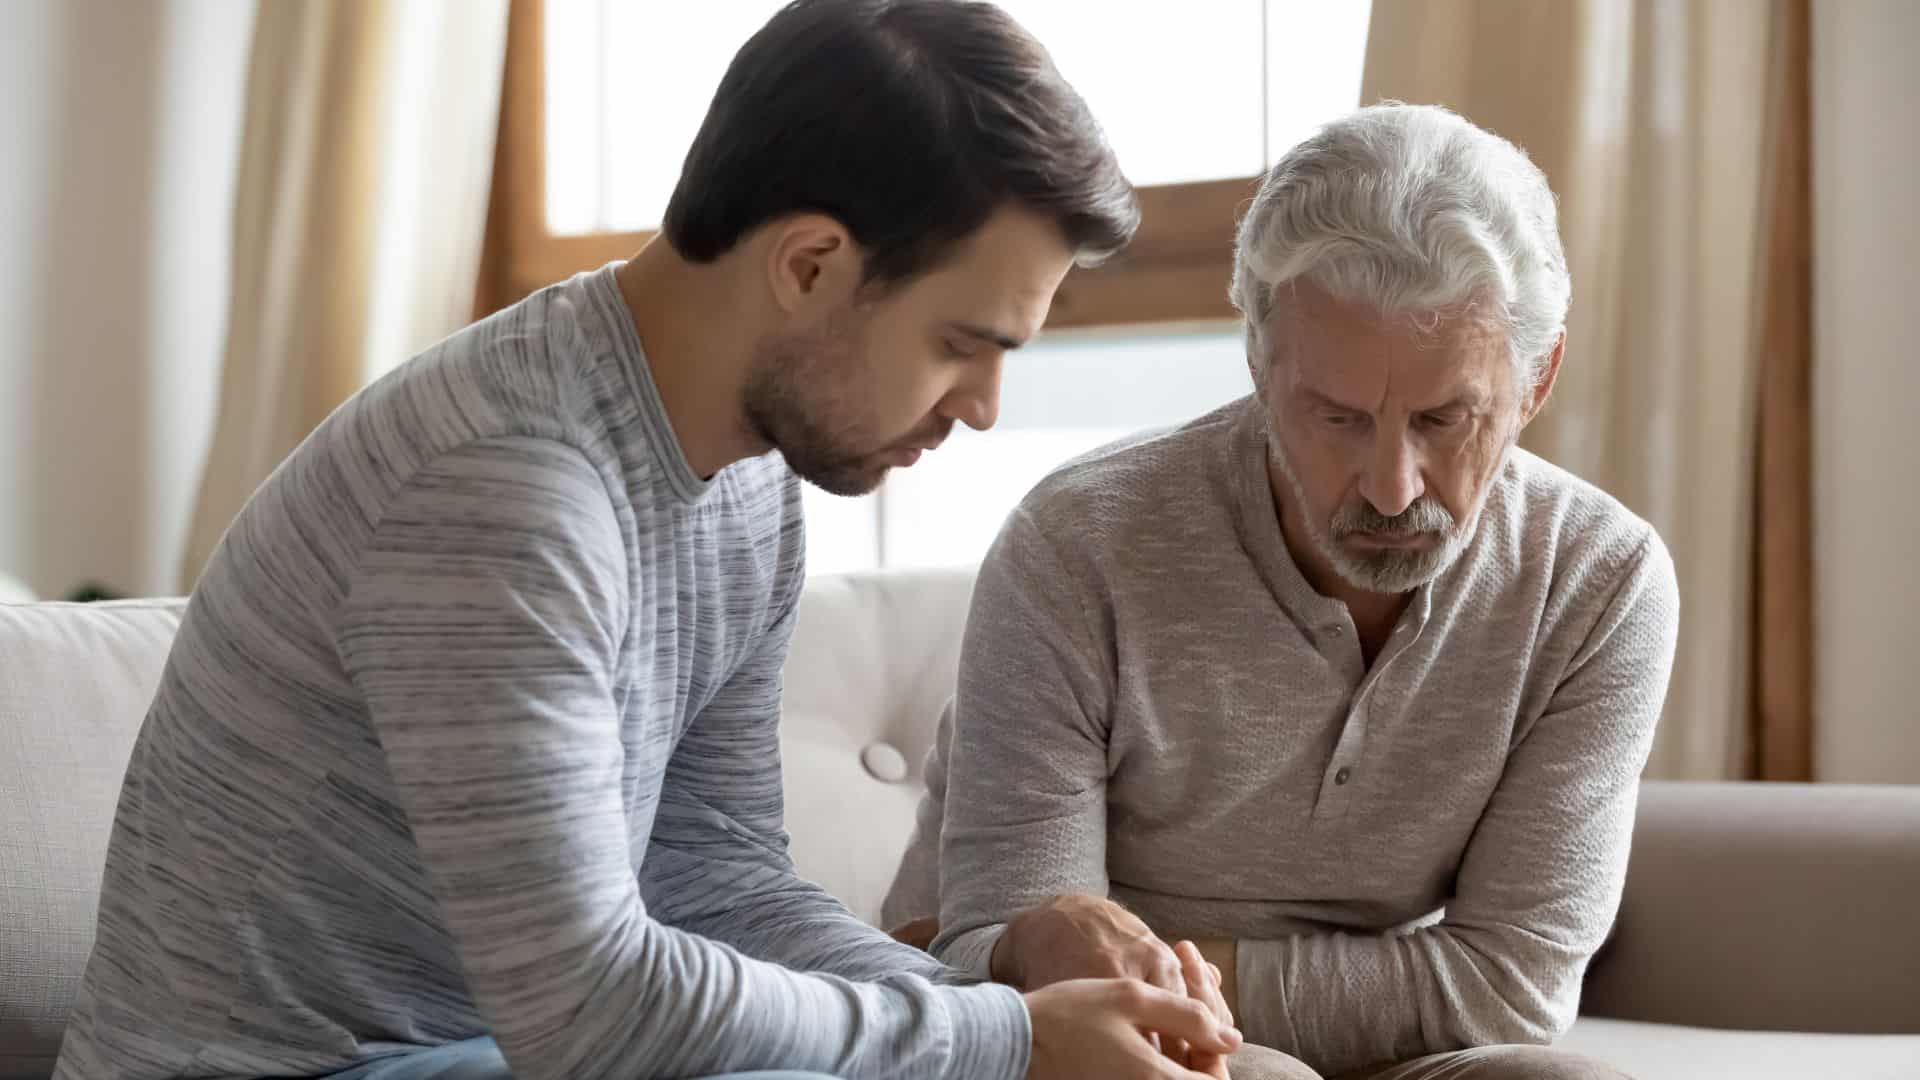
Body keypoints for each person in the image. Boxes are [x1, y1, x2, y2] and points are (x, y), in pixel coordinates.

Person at [52, 3, 1246, 1078]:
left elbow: (710, 872)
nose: (983, 406)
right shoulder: (506, 489)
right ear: (812, 264)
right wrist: (1005, 1042)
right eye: (960, 342)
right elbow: (592, 1009)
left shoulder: (745, 485)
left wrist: (1008, 1018)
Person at [885, 103, 1679, 1080]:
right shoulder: (1077, 545)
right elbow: (1035, 968)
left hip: (1354, 1047)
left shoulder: (1600, 579)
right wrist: (1216, 1019)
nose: (1393, 486)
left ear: (1536, 381)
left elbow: (1511, 987)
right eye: (1338, 416)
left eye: (1443, 419)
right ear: (1260, 364)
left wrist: (1190, 979)